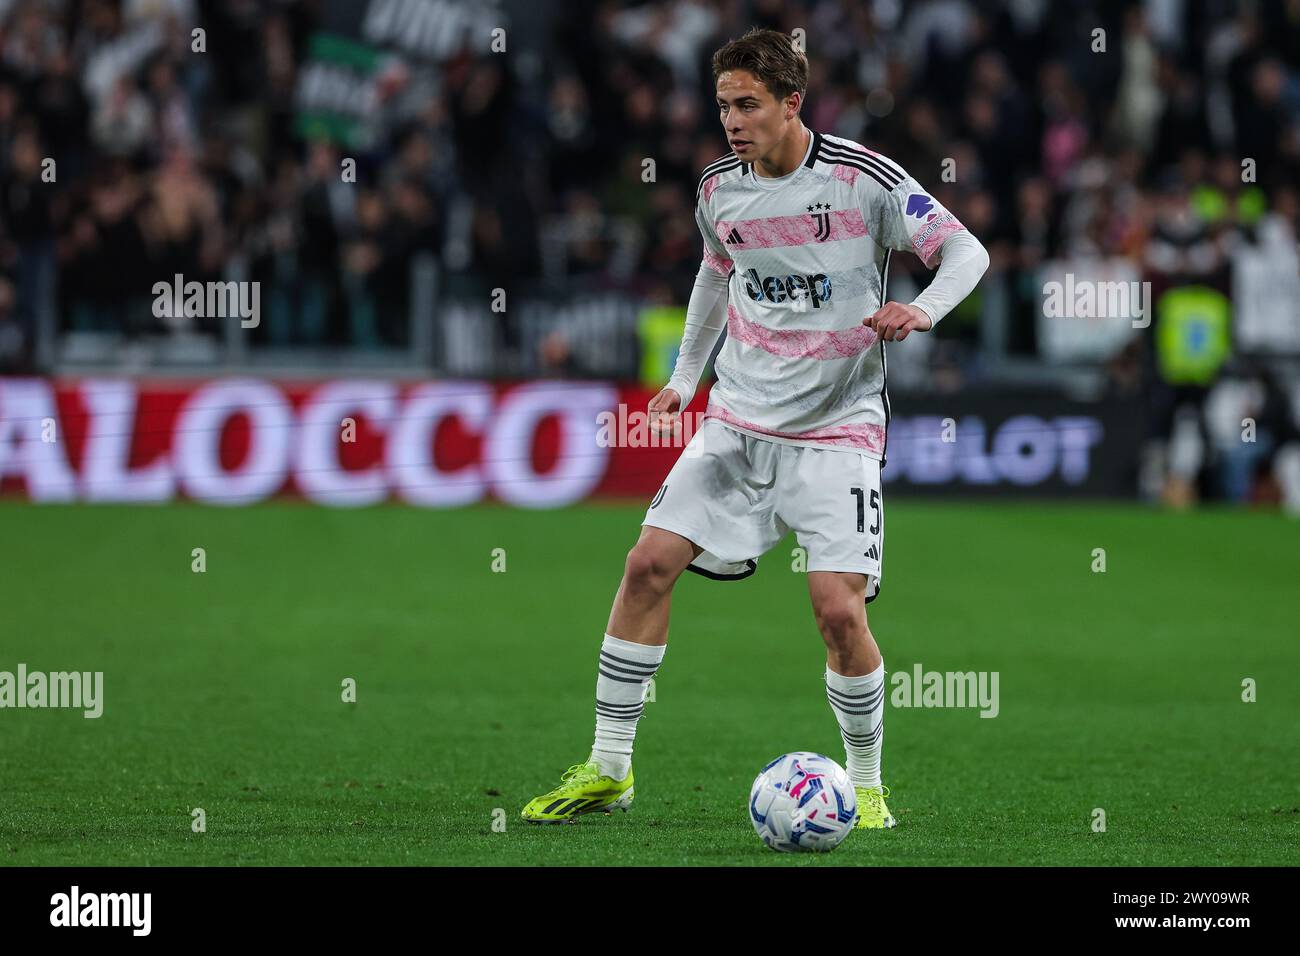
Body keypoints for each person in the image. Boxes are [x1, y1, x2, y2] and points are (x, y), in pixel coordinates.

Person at [522, 28, 988, 829]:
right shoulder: (717, 189)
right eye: (723, 106)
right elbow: (715, 271)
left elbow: (967, 252)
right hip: (736, 418)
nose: (732, 122)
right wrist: (681, 378)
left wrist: (920, 308)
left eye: (748, 105)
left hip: (836, 429)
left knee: (839, 614)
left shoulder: (863, 179)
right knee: (645, 565)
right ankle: (609, 769)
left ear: (791, 103)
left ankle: (867, 784)